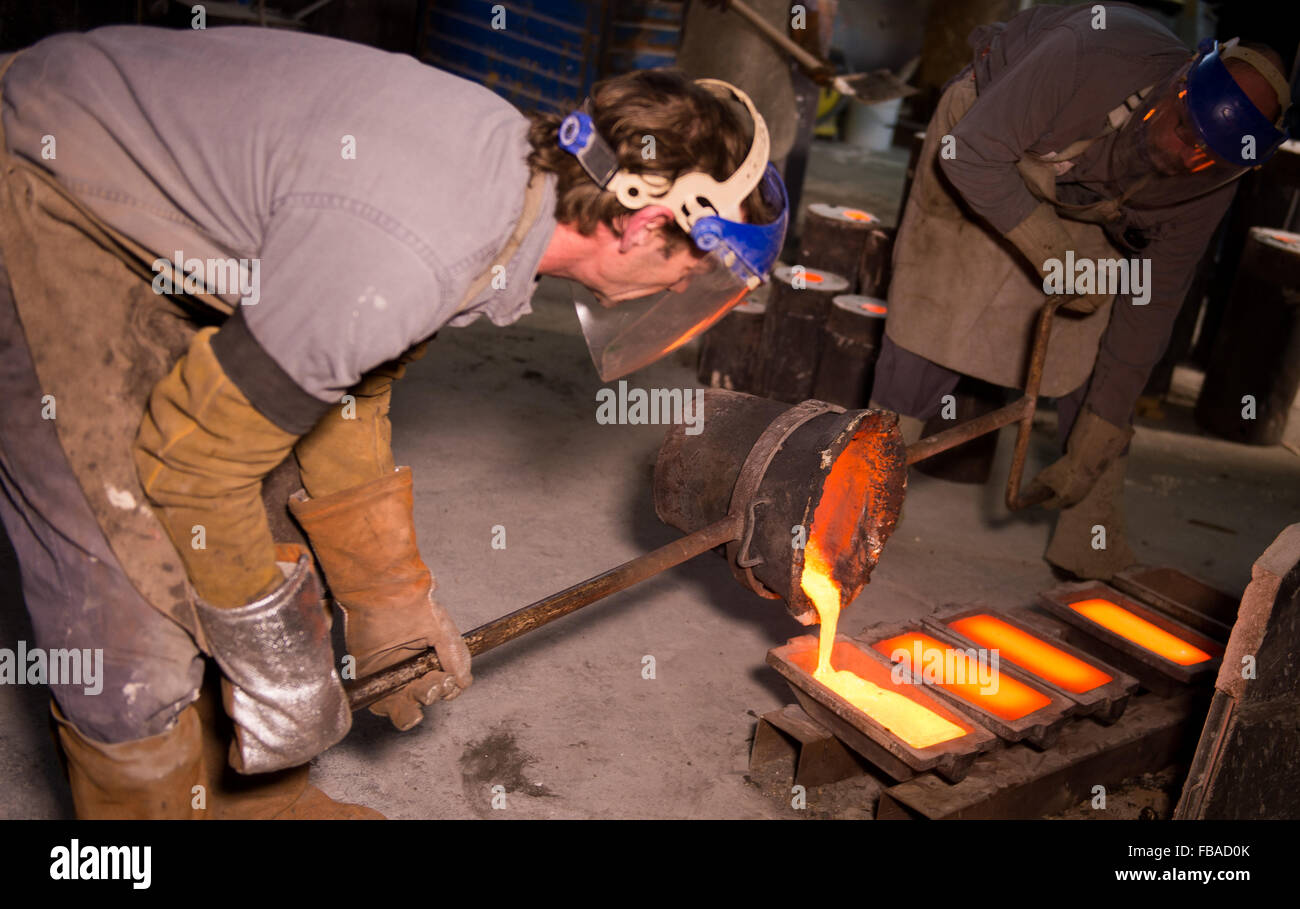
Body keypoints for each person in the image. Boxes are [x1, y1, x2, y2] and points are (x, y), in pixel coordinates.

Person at [0, 25, 788, 819]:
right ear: (645, 225)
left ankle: (249, 804)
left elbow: (351, 380)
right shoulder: (415, 244)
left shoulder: (503, 182)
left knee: (269, 518)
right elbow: (194, 466)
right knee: (131, 599)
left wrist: (387, 600)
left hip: (152, 189)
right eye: (691, 271)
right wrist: (283, 675)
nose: (676, 295)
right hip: (40, 180)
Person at [869, 2, 1291, 579]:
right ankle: (859, 495)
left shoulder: (1216, 176)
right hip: (987, 143)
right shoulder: (1091, 53)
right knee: (933, 316)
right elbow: (971, 154)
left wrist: (1105, 425)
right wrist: (1060, 261)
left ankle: (1089, 539)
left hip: (1090, 195)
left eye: (1207, 156)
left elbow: (1152, 297)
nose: (1187, 153)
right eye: (1183, 129)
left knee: (1096, 358)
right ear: (1180, 86)